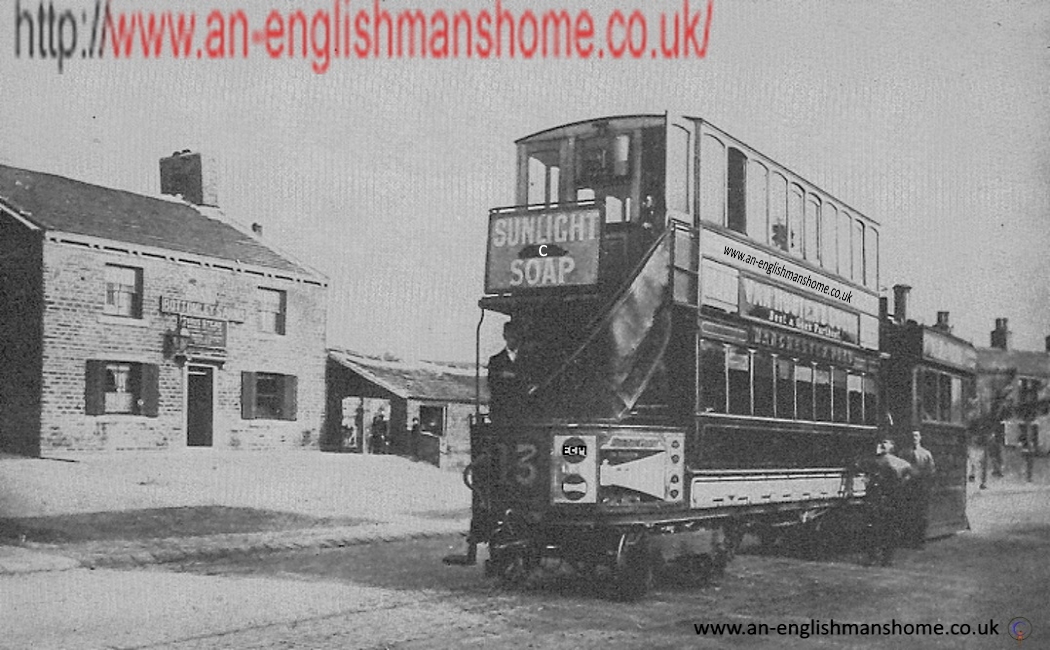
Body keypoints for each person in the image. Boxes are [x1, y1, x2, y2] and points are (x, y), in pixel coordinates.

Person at [863, 438, 914, 566]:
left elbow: (909, 471)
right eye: (882, 443)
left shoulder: (896, 462)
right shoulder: (875, 460)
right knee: (874, 529)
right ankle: (874, 557)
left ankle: (886, 558)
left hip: (890, 498)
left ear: (892, 446)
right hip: (877, 497)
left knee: (888, 529)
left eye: (886, 442)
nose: (883, 444)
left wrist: (900, 483)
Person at [487, 320, 530, 425]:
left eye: (516, 336)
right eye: (510, 336)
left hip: (523, 415)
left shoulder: (528, 359)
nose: (513, 339)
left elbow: (531, 380)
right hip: (501, 414)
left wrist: (511, 376)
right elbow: (492, 383)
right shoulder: (495, 361)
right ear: (504, 336)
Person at [901, 430, 936, 547]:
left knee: (922, 514)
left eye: (916, 435)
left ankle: (920, 540)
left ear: (920, 437)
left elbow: (931, 471)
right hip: (908, 488)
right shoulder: (904, 453)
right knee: (909, 513)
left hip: (921, 488)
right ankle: (908, 539)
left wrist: (926, 484)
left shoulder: (926, 454)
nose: (914, 438)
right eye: (912, 436)